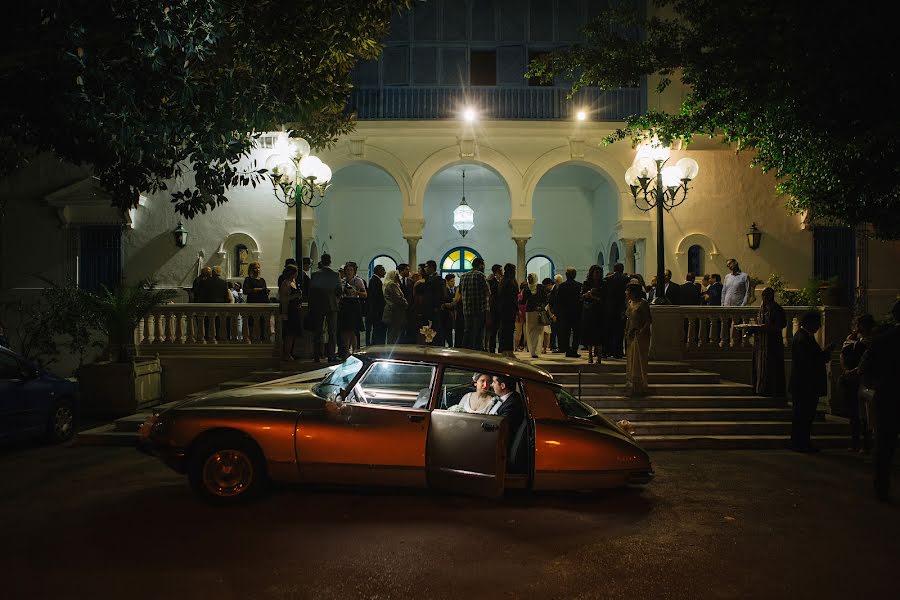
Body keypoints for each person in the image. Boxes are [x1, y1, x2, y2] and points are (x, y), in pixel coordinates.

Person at [855, 300, 900, 501]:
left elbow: (867, 370)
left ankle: (881, 488)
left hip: (888, 397)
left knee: (884, 446)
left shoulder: (882, 341)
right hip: (888, 395)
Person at [789, 311, 833, 452]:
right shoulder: (802, 338)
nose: (819, 326)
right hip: (805, 385)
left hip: (804, 384)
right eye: (817, 323)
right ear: (808, 323)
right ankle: (800, 443)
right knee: (803, 416)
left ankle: (801, 442)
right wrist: (824, 355)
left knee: (804, 416)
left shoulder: (804, 337)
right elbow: (807, 362)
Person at [841, 314, 875, 453]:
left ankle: (867, 443)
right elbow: (843, 355)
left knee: (866, 414)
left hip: (865, 381)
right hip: (852, 379)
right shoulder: (852, 339)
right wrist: (847, 371)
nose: (856, 328)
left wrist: (855, 371)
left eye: (858, 325)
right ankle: (855, 441)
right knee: (854, 413)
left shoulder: (871, 340)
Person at [752, 287, 787, 396]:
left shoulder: (777, 309)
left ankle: (771, 390)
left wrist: (767, 327)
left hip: (772, 343)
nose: (763, 298)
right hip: (761, 343)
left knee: (772, 368)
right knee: (759, 366)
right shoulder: (762, 308)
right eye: (762, 295)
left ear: (771, 296)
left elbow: (781, 325)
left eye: (766, 295)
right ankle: (760, 388)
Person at [489, 374, 526, 472]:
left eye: (494, 382)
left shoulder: (512, 404)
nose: (491, 385)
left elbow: (501, 427)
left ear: (503, 386)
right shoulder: (506, 399)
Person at [309, 253, 342, 362]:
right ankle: (331, 355)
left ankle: (317, 356)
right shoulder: (335, 275)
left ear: (321, 262)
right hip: (332, 305)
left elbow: (311, 291)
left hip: (318, 305)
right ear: (330, 261)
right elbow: (339, 291)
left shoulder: (315, 275)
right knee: (332, 332)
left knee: (318, 331)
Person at [625, 283, 652, 396]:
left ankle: (640, 387)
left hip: (640, 335)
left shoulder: (643, 303)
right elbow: (629, 319)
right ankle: (633, 387)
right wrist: (627, 331)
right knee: (631, 360)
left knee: (639, 361)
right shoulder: (630, 303)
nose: (626, 293)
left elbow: (648, 320)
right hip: (631, 334)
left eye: (628, 291)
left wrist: (640, 332)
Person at [459, 257, 490, 351]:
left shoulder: (463, 276)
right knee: (479, 333)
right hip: (479, 309)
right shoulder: (480, 275)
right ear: (480, 265)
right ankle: (477, 352)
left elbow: (460, 291)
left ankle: (465, 351)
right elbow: (488, 292)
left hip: (467, 310)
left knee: (468, 331)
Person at [338, 262, 367, 358]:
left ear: (354, 271)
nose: (349, 272)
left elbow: (365, 294)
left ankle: (354, 351)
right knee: (345, 330)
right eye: (347, 270)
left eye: (351, 270)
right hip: (344, 305)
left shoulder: (358, 281)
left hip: (353, 305)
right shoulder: (342, 281)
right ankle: (345, 351)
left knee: (353, 330)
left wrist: (356, 292)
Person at [580, 265, 606, 364]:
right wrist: (587, 294)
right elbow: (581, 297)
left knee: (599, 335)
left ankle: (599, 356)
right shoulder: (586, 283)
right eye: (595, 272)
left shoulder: (603, 284)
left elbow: (605, 298)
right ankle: (590, 355)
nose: (597, 275)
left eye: (598, 273)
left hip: (599, 312)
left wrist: (595, 297)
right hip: (589, 311)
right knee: (589, 334)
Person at [556, 267, 583, 358]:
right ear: (575, 275)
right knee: (576, 333)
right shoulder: (579, 285)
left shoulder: (561, 286)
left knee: (566, 333)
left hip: (565, 313)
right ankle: (574, 350)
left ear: (566, 275)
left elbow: (558, 301)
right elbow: (581, 300)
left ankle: (567, 350)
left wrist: (558, 313)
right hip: (576, 313)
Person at [522, 272, 549, 359]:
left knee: (538, 332)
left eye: (531, 278)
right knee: (531, 332)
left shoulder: (540, 287)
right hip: (530, 312)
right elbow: (523, 301)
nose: (529, 280)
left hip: (537, 312)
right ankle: (533, 351)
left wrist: (541, 305)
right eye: (528, 278)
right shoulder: (527, 288)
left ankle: (536, 351)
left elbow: (546, 299)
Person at [604, 263, 628, 359]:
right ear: (622, 269)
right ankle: (618, 352)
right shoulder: (626, 279)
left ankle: (609, 351)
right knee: (619, 331)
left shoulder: (608, 279)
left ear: (614, 269)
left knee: (609, 331)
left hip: (610, 308)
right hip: (621, 308)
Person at [278, 265, 301, 360]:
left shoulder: (294, 282)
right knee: (289, 334)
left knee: (293, 334)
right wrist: (284, 313)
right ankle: (286, 354)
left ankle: (291, 352)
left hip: (295, 310)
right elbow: (283, 299)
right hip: (289, 310)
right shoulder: (285, 283)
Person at [496, 263, 519, 356]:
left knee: (504, 330)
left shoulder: (503, 281)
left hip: (503, 309)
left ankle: (504, 350)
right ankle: (509, 351)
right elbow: (512, 297)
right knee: (509, 330)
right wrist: (517, 309)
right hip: (509, 309)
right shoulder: (510, 281)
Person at [382, 269, 408, 345]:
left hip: (390, 310)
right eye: (396, 275)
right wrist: (406, 303)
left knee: (391, 332)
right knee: (394, 333)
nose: (398, 277)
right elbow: (398, 297)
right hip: (395, 312)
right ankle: (392, 350)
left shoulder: (386, 284)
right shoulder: (392, 285)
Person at [485, 263, 503, 352]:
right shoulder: (491, 281)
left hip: (500, 308)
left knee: (500, 330)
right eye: (501, 270)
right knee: (493, 330)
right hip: (493, 308)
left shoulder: (502, 280)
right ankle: (492, 348)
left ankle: (500, 348)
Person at [368, 264, 387, 346]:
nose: (385, 272)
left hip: (376, 310)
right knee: (378, 330)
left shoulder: (375, 280)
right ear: (378, 271)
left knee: (377, 330)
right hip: (377, 311)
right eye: (383, 270)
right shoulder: (375, 281)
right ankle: (377, 346)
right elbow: (377, 298)